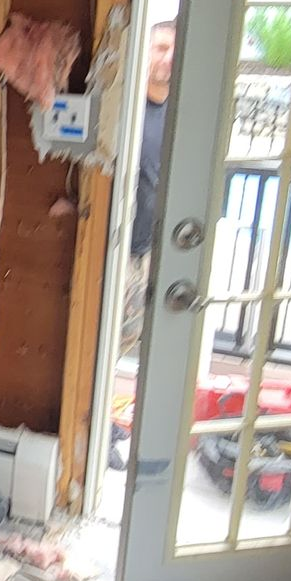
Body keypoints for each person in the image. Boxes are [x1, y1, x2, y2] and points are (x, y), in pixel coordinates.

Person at [120, 19, 176, 358]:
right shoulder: (125, 110)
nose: (167, 58)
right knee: (110, 339)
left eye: (174, 50)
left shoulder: (182, 115)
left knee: (139, 338)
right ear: (146, 51)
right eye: (161, 48)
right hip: (120, 249)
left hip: (156, 250)